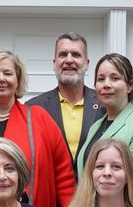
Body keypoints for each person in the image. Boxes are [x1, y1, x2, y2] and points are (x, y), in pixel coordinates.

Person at [0, 49, 75, 207]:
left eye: (8, 73)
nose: (1, 79)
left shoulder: (40, 118)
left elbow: (63, 176)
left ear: (18, 80)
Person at [75, 53, 133, 188]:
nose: (106, 84)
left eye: (114, 78)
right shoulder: (95, 126)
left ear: (130, 85)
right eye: (101, 79)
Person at [27, 32, 105, 166]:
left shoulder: (104, 105)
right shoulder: (33, 108)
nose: (69, 60)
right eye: (63, 54)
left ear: (86, 64)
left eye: (76, 55)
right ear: (54, 63)